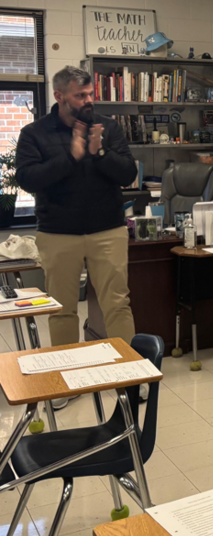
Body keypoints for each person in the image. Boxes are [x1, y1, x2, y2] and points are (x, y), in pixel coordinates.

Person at [15, 66, 137, 350]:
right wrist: (71, 157)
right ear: (59, 96)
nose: (88, 100)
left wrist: (100, 153)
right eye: (80, 95)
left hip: (108, 230)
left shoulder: (109, 127)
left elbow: (128, 173)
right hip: (58, 233)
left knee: (118, 304)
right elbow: (27, 179)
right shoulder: (35, 133)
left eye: (90, 93)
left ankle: (131, 380)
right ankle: (66, 380)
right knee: (62, 309)